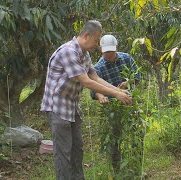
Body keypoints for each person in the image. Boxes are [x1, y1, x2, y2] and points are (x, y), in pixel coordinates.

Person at [41, 21, 132, 180]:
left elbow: (95, 77)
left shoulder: (85, 54)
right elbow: (87, 82)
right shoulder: (68, 52)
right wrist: (116, 95)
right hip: (58, 107)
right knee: (63, 153)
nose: (97, 45)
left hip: (72, 106)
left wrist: (118, 90)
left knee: (77, 150)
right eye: (96, 40)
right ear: (86, 35)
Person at [92, 35, 141, 173]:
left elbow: (138, 76)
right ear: (101, 50)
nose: (109, 54)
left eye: (111, 51)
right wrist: (101, 96)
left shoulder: (126, 58)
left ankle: (135, 164)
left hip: (131, 103)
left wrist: (128, 82)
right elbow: (94, 88)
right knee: (115, 137)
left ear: (116, 48)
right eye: (106, 52)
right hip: (113, 108)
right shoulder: (98, 67)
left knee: (135, 133)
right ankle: (117, 169)